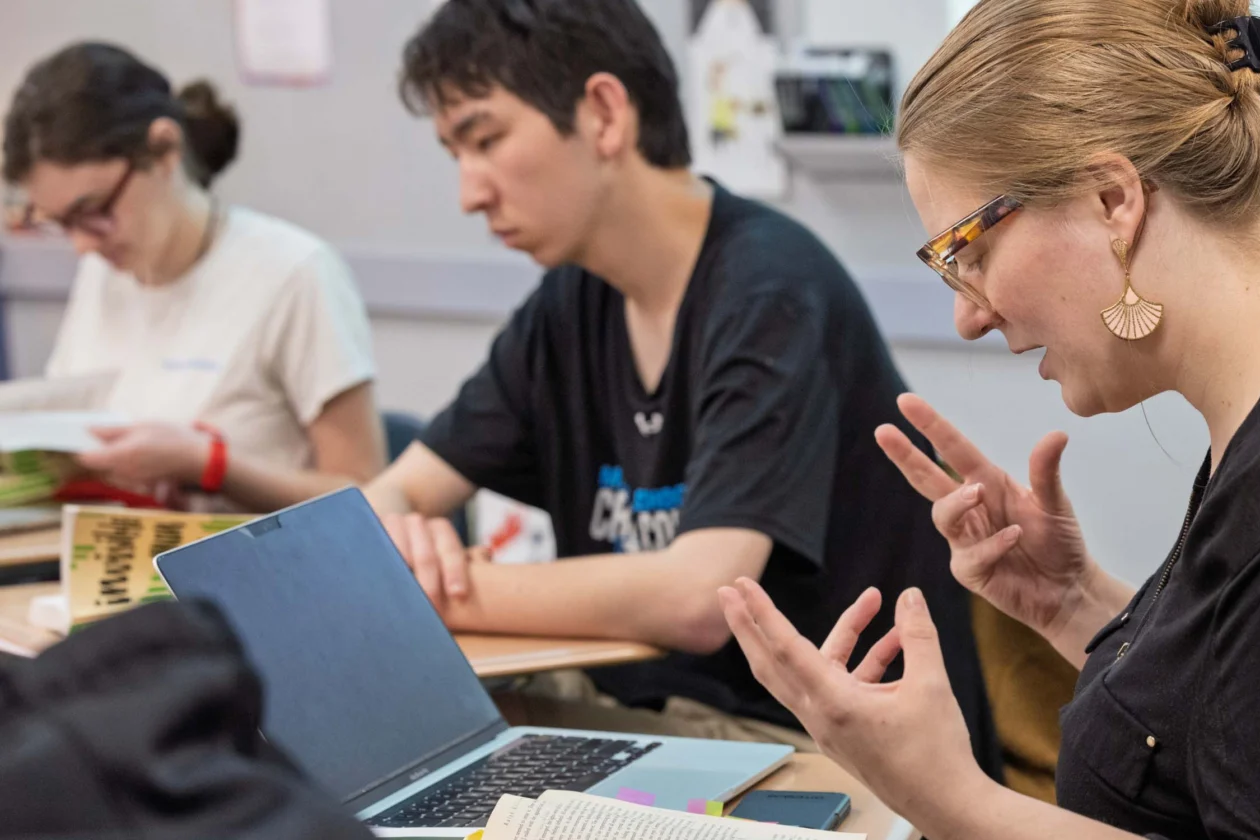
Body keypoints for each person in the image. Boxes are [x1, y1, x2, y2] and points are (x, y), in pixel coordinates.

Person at [719, 1, 1260, 839]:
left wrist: (950, 800)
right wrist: (1073, 604)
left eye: (969, 253)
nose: (968, 318)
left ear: (1112, 198)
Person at [363, 0, 998, 768]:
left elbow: (700, 597)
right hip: (661, 724)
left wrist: (441, 584)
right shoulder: (569, 304)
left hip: (827, 748)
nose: (470, 192)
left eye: (487, 140)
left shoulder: (770, 288)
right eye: (454, 154)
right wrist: (401, 537)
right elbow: (389, 501)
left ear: (603, 114)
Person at [2, 43, 384, 513]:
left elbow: (372, 498)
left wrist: (211, 465)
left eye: (93, 211)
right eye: (59, 223)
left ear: (164, 150)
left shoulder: (294, 274)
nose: (82, 245)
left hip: (259, 574)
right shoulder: (103, 272)